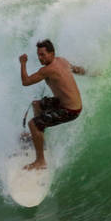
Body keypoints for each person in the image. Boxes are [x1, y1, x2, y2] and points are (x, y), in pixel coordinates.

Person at [18, 39, 85, 170]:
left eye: (43, 54)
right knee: (36, 104)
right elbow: (76, 70)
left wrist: (23, 63)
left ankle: (40, 161)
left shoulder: (47, 70)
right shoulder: (62, 61)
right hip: (66, 102)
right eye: (38, 54)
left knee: (33, 124)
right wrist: (90, 72)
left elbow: (25, 82)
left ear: (52, 53)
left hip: (70, 110)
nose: (40, 58)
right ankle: (39, 135)